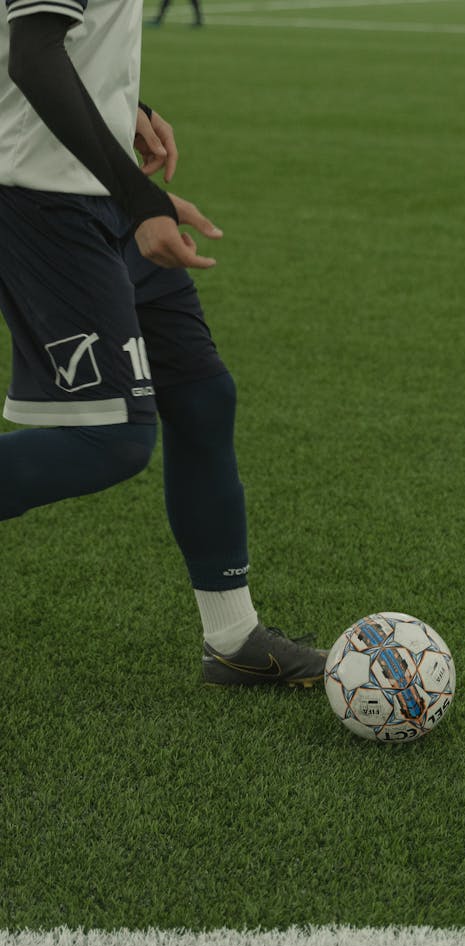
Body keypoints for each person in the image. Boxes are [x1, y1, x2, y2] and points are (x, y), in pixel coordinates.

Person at [0, 0, 326, 689]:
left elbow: (68, 35)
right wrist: (139, 197)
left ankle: (233, 640)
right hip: (41, 198)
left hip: (99, 186)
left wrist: (128, 107)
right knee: (110, 441)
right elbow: (30, 51)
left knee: (202, 397)